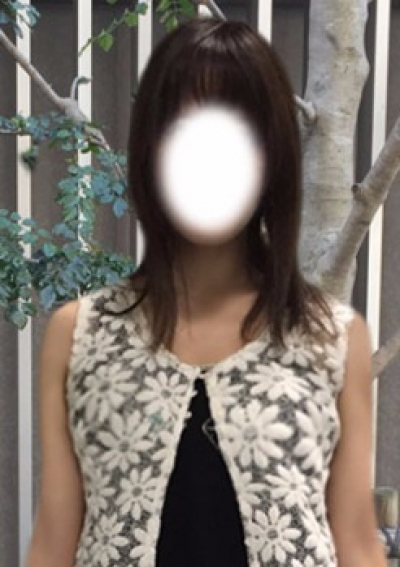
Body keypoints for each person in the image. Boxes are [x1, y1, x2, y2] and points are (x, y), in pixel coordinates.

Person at [25, 16, 388, 567]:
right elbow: (53, 544)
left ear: (272, 159)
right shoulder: (77, 337)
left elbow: (357, 543)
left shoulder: (333, 339)